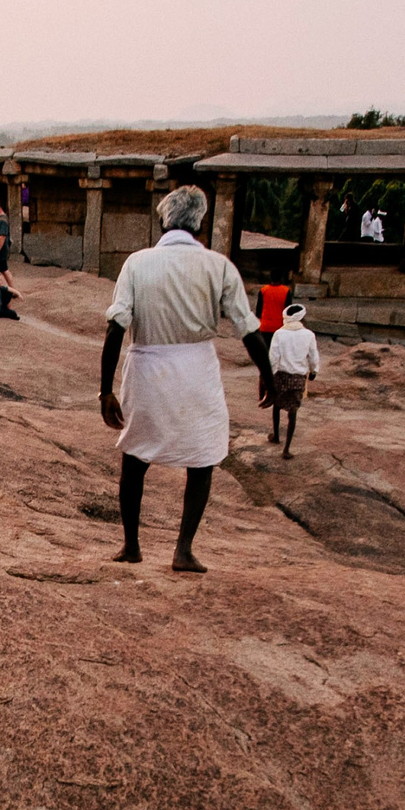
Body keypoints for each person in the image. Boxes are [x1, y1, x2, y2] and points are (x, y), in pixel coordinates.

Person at [99, 185, 272, 574]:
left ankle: (131, 545)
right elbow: (248, 329)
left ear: (164, 221)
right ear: (200, 223)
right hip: (197, 367)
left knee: (135, 457)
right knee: (203, 459)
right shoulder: (219, 266)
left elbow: (116, 327)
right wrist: (268, 376)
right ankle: (184, 550)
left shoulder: (137, 263)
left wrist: (105, 389)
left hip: (148, 366)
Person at [266, 301, 319, 458]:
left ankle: (276, 436)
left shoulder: (279, 334)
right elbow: (313, 355)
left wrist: (270, 373)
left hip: (281, 375)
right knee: (293, 411)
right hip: (298, 377)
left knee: (276, 405)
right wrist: (314, 370)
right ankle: (287, 449)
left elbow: (273, 356)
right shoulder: (309, 335)